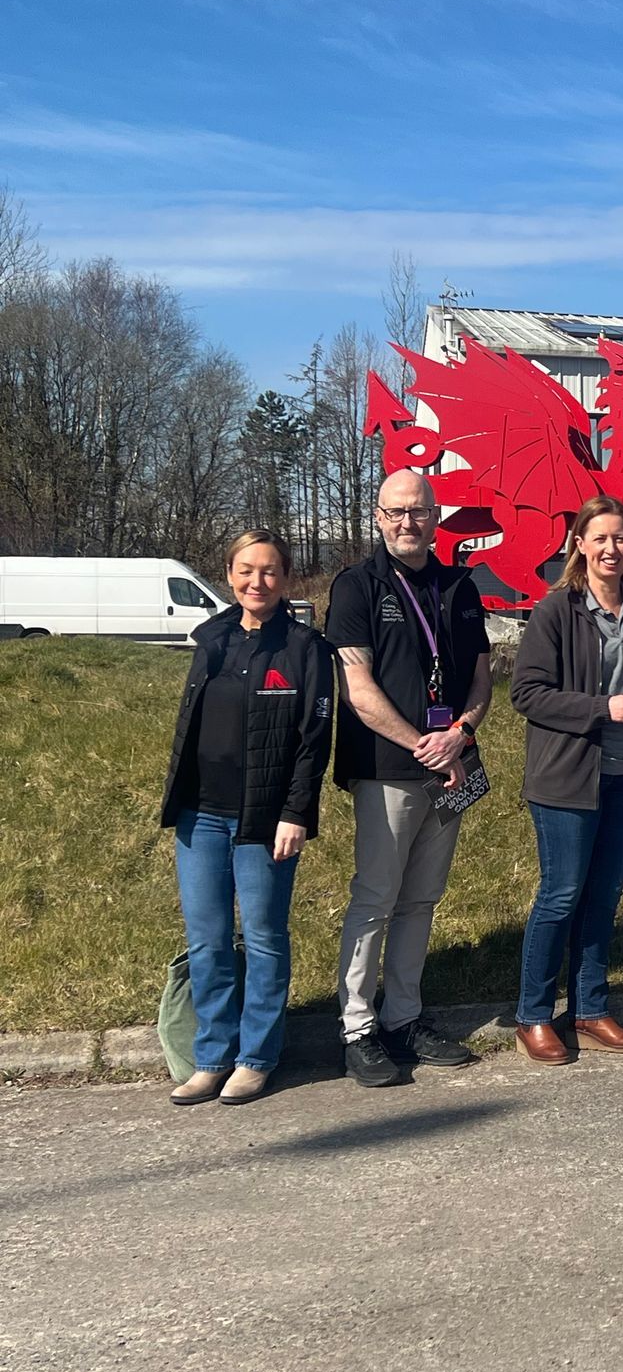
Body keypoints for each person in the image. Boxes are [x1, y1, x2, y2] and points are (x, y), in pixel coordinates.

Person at [328, 470, 492, 1086]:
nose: (407, 522)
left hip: (452, 765)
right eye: (395, 511)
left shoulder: (458, 586)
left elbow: (481, 674)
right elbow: (358, 690)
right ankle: (356, 1027)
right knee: (375, 899)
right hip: (388, 769)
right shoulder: (357, 586)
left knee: (421, 899)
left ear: (435, 515)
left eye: (418, 511)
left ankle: (403, 1017)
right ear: (377, 515)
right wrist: (426, 746)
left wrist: (462, 736)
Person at [160, 530, 333, 1105]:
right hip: (200, 817)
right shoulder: (209, 639)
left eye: (269, 572)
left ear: (285, 579)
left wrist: (296, 813)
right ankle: (212, 1056)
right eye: (244, 570)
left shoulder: (306, 647)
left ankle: (257, 1055)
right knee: (207, 940)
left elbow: (314, 740)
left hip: (264, 819)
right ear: (229, 574)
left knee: (263, 937)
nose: (256, 582)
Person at [509, 497, 623, 1065]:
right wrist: (604, 708)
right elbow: (526, 694)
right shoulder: (557, 610)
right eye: (599, 538)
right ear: (579, 543)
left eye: (622, 539)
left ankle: (589, 1007)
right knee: (561, 895)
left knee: (604, 895)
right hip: (568, 778)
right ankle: (532, 1016)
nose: (611, 548)